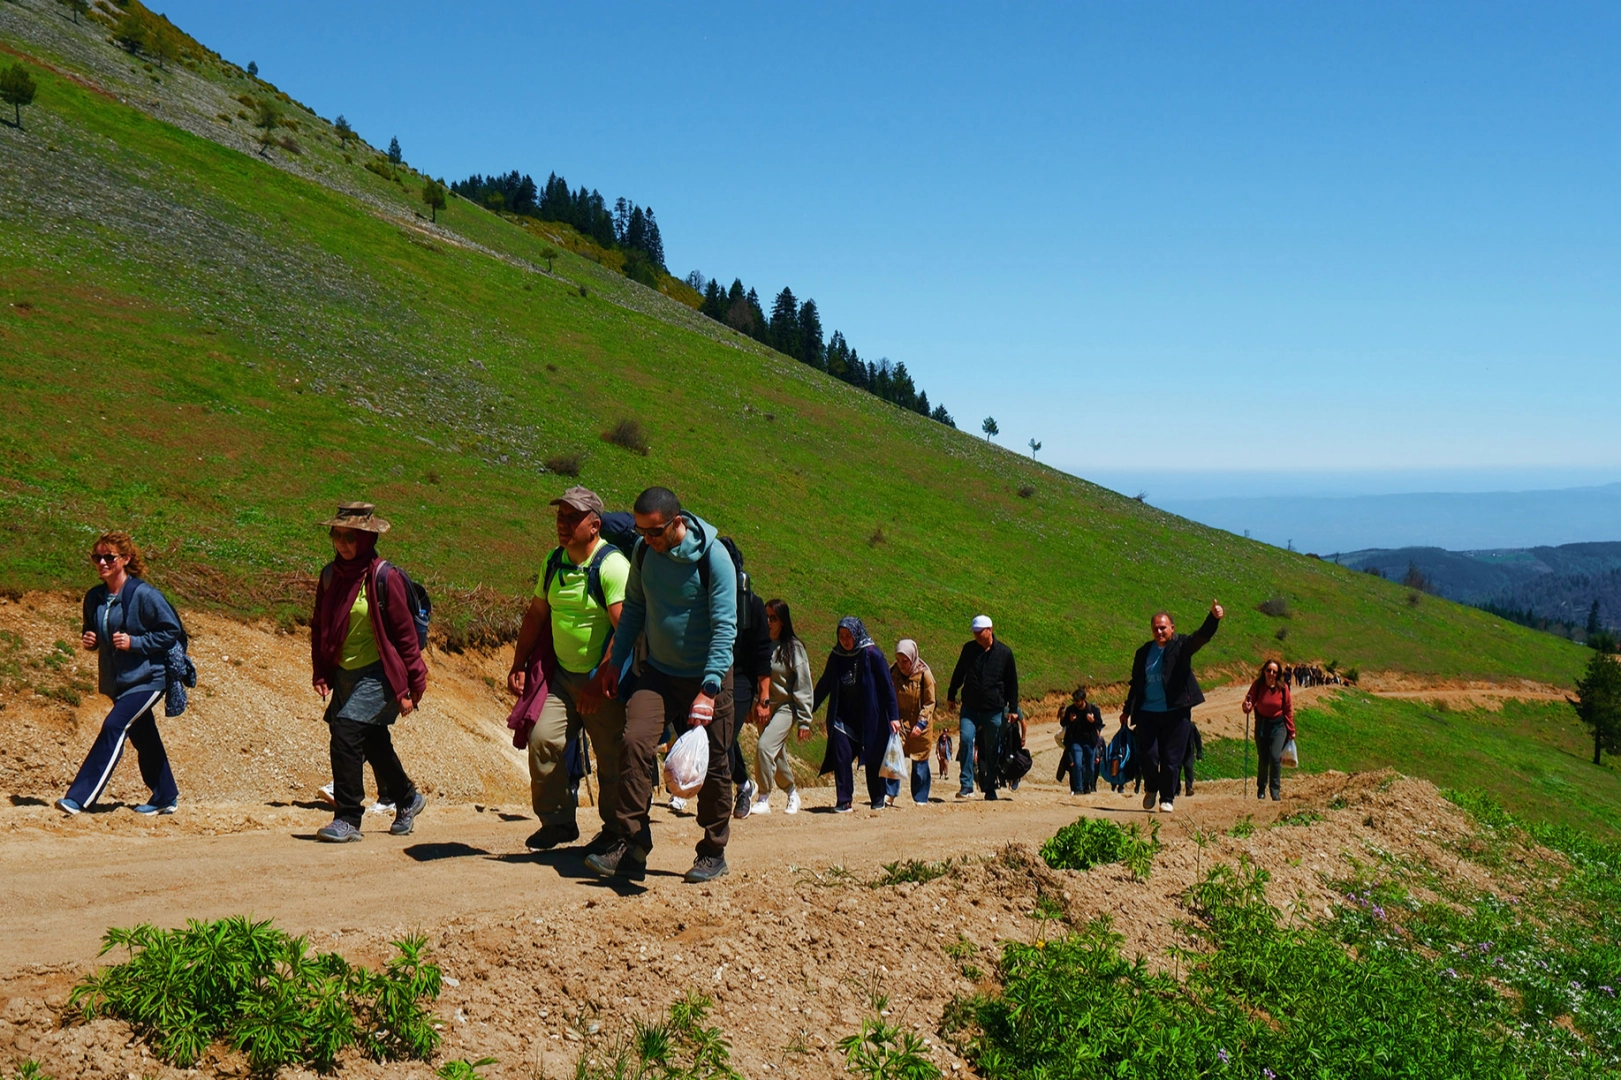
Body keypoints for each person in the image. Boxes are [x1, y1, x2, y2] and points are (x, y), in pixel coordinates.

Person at [587, 487, 737, 884]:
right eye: (640, 532)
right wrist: (614, 663)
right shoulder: (642, 553)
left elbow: (725, 627)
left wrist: (709, 688)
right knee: (634, 742)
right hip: (657, 671)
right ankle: (632, 843)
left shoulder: (712, 557)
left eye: (654, 533)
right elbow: (634, 608)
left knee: (715, 766)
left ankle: (712, 850)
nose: (646, 540)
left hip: (708, 676)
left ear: (676, 524)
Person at [507, 486, 630, 852]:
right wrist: (519, 662)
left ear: (594, 526)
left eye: (572, 518)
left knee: (611, 758)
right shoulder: (553, 562)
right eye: (560, 516)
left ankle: (615, 832)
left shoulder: (611, 566)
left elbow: (624, 631)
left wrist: (597, 682)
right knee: (543, 740)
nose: (563, 524)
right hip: (561, 678)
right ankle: (558, 821)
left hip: (603, 682)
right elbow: (535, 616)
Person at [309, 503, 429, 842]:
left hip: (379, 674)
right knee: (373, 740)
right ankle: (407, 798)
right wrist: (321, 671)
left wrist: (414, 682)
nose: (343, 543)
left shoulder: (384, 577)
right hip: (346, 673)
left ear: (367, 539)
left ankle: (347, 818)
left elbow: (405, 636)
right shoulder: (330, 575)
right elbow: (320, 625)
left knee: (345, 733)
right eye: (337, 536)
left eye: (351, 537)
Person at [58, 533, 184, 816]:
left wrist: (136, 643)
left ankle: (79, 798)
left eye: (109, 557)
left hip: (148, 678)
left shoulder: (145, 595)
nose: (102, 562)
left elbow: (171, 630)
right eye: (97, 558)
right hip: (118, 682)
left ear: (125, 559)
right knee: (145, 736)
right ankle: (165, 795)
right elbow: (93, 629)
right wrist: (90, 640)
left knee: (114, 726)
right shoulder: (94, 597)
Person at [1120, 600, 1223, 813]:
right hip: (1147, 712)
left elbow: (1201, 637)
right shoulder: (1143, 652)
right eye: (1155, 628)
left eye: (1163, 627)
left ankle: (1167, 798)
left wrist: (1213, 618)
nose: (1159, 631)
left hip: (1176, 712)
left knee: (1171, 758)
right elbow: (1136, 683)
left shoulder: (1181, 646)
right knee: (1148, 755)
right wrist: (1127, 710)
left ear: (1172, 628)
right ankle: (1151, 788)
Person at [813, 617, 900, 811]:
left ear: (857, 634)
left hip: (871, 716)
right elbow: (824, 684)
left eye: (848, 636)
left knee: (874, 757)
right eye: (841, 636)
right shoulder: (836, 656)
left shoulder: (872, 654)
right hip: (843, 716)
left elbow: (887, 687)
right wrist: (808, 709)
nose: (844, 640)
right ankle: (844, 800)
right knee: (841, 754)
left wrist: (894, 716)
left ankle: (878, 797)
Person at [945, 615, 1021, 801]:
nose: (977, 636)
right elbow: (959, 672)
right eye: (975, 633)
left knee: (992, 748)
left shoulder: (1004, 653)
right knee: (966, 738)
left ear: (990, 630)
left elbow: (1012, 683)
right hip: (970, 707)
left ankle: (990, 787)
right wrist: (951, 694)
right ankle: (966, 784)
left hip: (994, 709)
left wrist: (1013, 708)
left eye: (980, 633)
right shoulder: (969, 649)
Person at [722, 538, 771, 820]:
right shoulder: (703, 597)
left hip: (741, 678)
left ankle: (740, 787)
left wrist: (763, 698)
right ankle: (742, 783)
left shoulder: (752, 604)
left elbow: (763, 654)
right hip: (711, 673)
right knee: (717, 735)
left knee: (725, 733)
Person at [751, 598, 811, 815]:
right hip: (763, 707)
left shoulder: (793, 648)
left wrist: (804, 720)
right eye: (766, 617)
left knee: (764, 747)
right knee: (776, 754)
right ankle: (792, 793)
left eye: (773, 618)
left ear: (783, 621)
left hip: (786, 708)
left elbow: (803, 684)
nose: (768, 622)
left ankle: (764, 797)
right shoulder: (761, 644)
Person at [891, 639, 937, 805]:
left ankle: (920, 797)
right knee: (893, 757)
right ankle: (889, 794)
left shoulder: (925, 674)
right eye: (898, 660)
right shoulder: (893, 673)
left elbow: (930, 702)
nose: (901, 664)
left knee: (920, 761)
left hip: (920, 724)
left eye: (905, 661)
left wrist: (921, 723)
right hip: (900, 723)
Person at [1242, 659, 1295, 801]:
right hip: (1262, 725)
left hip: (1279, 726)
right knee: (1264, 759)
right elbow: (1249, 701)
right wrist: (1247, 706)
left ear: (1278, 674)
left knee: (1275, 756)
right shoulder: (1258, 685)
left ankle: (1275, 790)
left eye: (1274, 671)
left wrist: (1291, 729)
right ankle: (1261, 789)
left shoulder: (1282, 688)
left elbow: (1288, 709)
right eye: (1269, 670)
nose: (1271, 673)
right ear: (1264, 671)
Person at [1060, 686, 1104, 795]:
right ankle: (1078, 788)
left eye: (1077, 701)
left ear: (1083, 700)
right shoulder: (1071, 710)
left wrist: (1093, 720)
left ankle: (1086, 785)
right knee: (1077, 764)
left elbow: (1099, 723)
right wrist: (1069, 720)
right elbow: (1063, 723)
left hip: (1089, 741)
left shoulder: (1093, 709)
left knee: (1090, 767)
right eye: (1074, 700)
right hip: (1075, 741)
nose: (1075, 703)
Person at [1104, 716, 1134, 794]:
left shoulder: (1126, 734)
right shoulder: (1123, 734)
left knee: (1122, 769)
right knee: (1115, 768)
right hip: (1118, 754)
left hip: (1124, 754)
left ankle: (1119, 785)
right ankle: (1115, 784)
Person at [1181, 721, 1204, 796]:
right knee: (1176, 770)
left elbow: (1197, 739)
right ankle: (1176, 790)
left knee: (1188, 768)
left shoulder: (1191, 726)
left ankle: (1189, 788)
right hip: (1177, 751)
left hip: (1189, 752)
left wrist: (1199, 752)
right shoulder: (1175, 726)